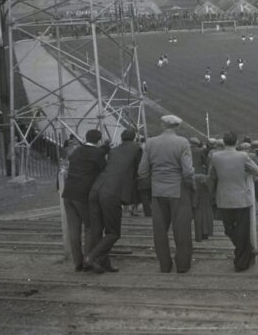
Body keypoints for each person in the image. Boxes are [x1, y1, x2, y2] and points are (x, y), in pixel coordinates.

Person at [137, 114, 195, 273]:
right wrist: (192, 187)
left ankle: (165, 265)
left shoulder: (150, 142)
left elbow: (142, 171)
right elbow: (188, 171)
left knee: (160, 230)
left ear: (163, 125)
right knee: (182, 230)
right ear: (177, 127)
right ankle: (182, 265)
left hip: (158, 190)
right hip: (177, 189)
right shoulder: (182, 142)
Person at [85, 128, 141, 273]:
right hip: (112, 193)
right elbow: (139, 171)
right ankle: (91, 258)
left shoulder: (114, 150)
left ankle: (103, 263)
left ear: (122, 138)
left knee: (97, 231)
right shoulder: (137, 149)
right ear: (134, 138)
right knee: (113, 233)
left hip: (96, 190)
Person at [207, 131, 258, 272]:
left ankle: (241, 260)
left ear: (224, 142)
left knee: (229, 229)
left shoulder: (215, 156)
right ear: (236, 142)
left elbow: (211, 175)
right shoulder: (243, 155)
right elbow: (256, 170)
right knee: (241, 230)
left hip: (224, 197)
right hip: (241, 197)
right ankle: (247, 251)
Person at [62, 129, 107, 271]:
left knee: (73, 229)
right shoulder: (98, 153)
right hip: (83, 196)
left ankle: (77, 263)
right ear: (99, 140)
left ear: (86, 138)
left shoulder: (76, 151)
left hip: (68, 193)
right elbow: (104, 171)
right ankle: (89, 259)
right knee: (90, 227)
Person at [189, 137, 213, 242]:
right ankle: (202, 233)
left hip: (187, 179)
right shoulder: (201, 151)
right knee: (200, 206)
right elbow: (207, 165)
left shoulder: (184, 150)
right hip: (199, 180)